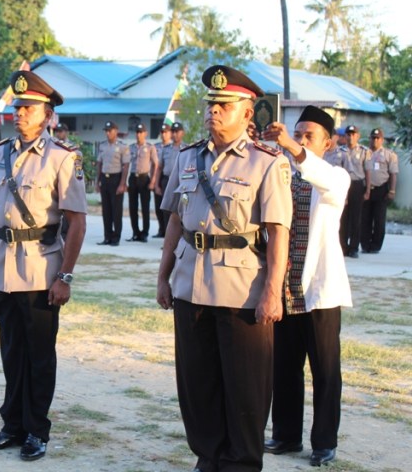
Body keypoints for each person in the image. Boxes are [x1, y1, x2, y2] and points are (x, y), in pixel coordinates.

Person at [156, 65, 292, 472]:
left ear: (247, 114)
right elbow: (175, 222)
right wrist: (163, 276)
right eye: (211, 104)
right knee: (197, 385)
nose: (214, 112)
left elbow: (277, 232)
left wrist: (272, 292)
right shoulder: (186, 158)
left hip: (241, 291)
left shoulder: (267, 163)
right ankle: (208, 457)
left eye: (224, 106)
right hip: (190, 285)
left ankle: (242, 463)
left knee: (245, 390)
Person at [0, 70, 87, 462]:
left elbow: (76, 221)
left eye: (28, 108)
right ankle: (12, 425)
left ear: (48, 116)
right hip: (4, 267)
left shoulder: (62, 158)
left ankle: (37, 430)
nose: (19, 113)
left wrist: (65, 276)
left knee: (39, 355)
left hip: (41, 268)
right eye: (17, 106)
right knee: (12, 352)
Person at [262, 106, 351, 468]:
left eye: (308, 135)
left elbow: (321, 176)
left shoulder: (335, 177)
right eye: (296, 134)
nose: (299, 141)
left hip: (318, 291)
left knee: (325, 370)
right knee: (284, 367)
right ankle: (285, 434)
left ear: (327, 143)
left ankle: (324, 442)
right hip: (282, 288)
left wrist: (293, 150)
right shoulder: (280, 174)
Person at [361, 128, 398, 253]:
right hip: (366, 189)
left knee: (379, 219)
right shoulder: (363, 152)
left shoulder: (389, 155)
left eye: (378, 138)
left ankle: (376, 246)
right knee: (365, 218)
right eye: (373, 138)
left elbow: (393, 173)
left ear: (382, 140)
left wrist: (392, 190)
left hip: (381, 189)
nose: (375, 140)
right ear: (369, 139)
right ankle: (365, 245)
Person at [339, 125, 371, 258]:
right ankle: (343, 247)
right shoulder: (340, 151)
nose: (351, 137)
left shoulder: (364, 151)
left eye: (353, 134)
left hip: (357, 184)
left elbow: (367, 171)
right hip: (343, 184)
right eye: (348, 134)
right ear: (345, 136)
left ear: (357, 136)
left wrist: (367, 189)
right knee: (343, 217)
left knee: (356, 218)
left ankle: (354, 248)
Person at [96, 120, 129, 246]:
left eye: (110, 130)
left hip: (116, 179)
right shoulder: (102, 146)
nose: (108, 133)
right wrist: (97, 182)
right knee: (106, 210)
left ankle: (116, 238)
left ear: (116, 131)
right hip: (105, 178)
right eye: (106, 131)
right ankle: (107, 237)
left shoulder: (122, 146)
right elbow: (99, 164)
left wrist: (122, 184)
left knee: (116, 210)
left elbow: (126, 166)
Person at [126, 123, 158, 242]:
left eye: (141, 132)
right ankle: (135, 232)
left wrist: (153, 180)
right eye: (137, 132)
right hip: (133, 178)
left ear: (145, 133)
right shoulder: (131, 147)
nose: (139, 135)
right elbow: (126, 164)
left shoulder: (150, 147)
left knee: (145, 208)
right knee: (132, 208)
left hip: (144, 179)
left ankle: (144, 233)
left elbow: (155, 164)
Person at [153, 122, 184, 238]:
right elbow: (159, 167)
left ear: (182, 133)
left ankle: (180, 237)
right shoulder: (166, 149)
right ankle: (167, 237)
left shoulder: (186, 148)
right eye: (173, 132)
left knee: (180, 210)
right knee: (166, 210)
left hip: (181, 182)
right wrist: (156, 184)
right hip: (166, 181)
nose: (175, 134)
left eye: (177, 132)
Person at [153, 123, 173, 237]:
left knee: (169, 209)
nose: (163, 134)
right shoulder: (156, 147)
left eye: (166, 132)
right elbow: (157, 167)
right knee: (159, 207)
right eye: (162, 132)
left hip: (172, 180)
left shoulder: (174, 147)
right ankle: (162, 230)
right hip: (161, 179)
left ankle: (168, 234)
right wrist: (155, 183)